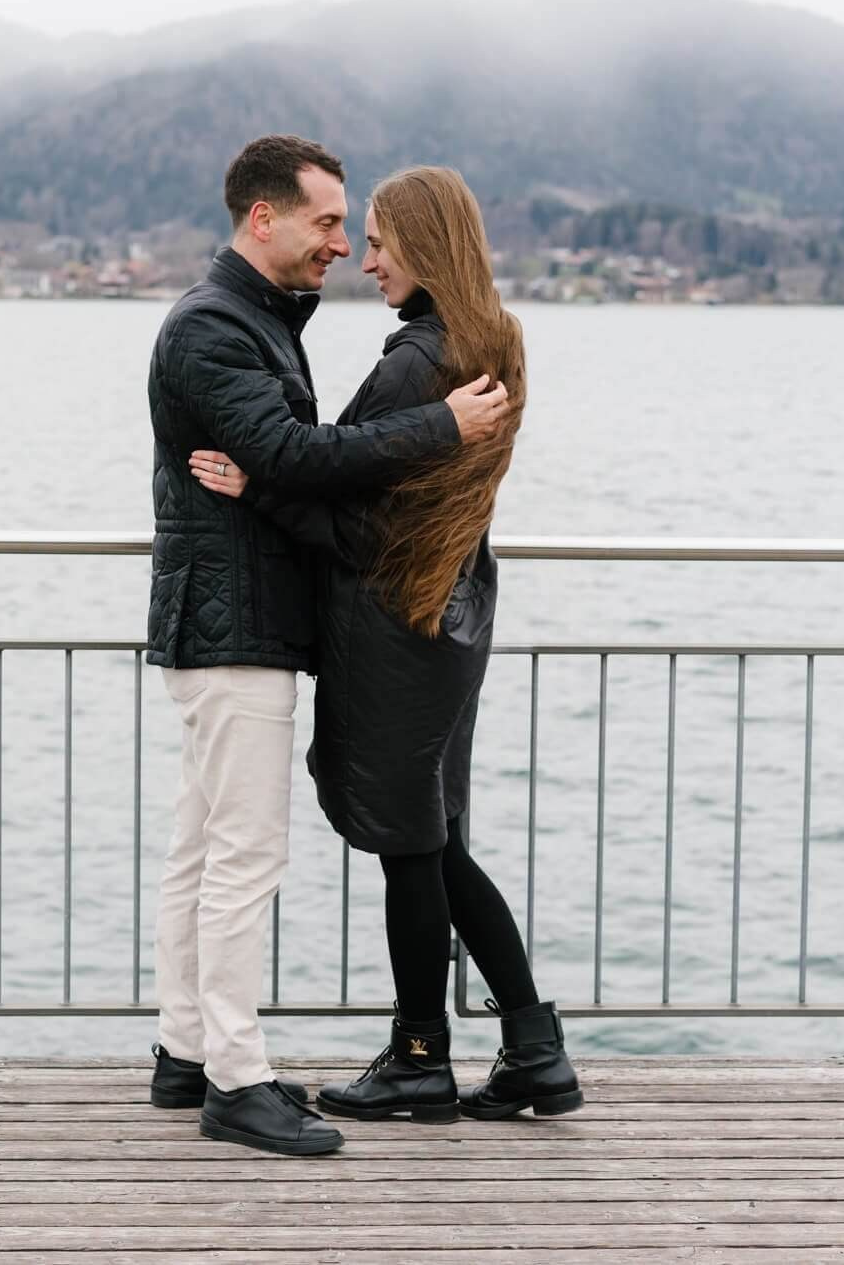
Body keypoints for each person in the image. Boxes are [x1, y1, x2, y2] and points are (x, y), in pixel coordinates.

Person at [189, 165, 583, 1125]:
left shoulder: (416, 362)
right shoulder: (496, 342)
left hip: (398, 629)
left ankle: (420, 1058)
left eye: (378, 241)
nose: (364, 260)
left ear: (424, 243)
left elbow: (367, 530)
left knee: (413, 849)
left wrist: (264, 490)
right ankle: (533, 1050)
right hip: (453, 618)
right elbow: (414, 512)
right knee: (436, 844)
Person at [145, 136, 512, 1156]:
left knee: (199, 847)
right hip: (234, 627)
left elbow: (285, 465)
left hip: (240, 622)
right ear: (260, 217)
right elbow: (292, 457)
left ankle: (185, 1051)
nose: (340, 246)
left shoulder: (254, 320)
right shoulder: (215, 330)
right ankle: (235, 1076)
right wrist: (439, 424)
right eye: (323, 223)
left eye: (353, 229)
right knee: (242, 854)